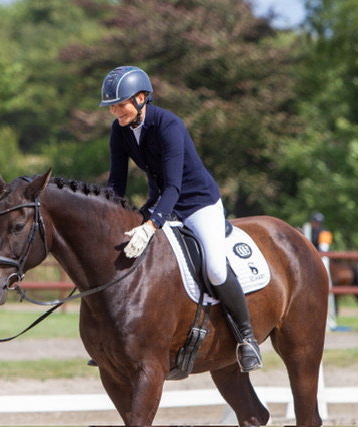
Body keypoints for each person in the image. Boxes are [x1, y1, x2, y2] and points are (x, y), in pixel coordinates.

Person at [99, 65, 262, 372]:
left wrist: (151, 225)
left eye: (120, 105)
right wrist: (109, 216)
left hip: (198, 203)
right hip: (161, 201)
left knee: (214, 267)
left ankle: (246, 338)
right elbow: (116, 184)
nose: (116, 112)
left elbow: (174, 186)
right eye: (113, 107)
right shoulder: (119, 130)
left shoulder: (169, 125)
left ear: (142, 98)